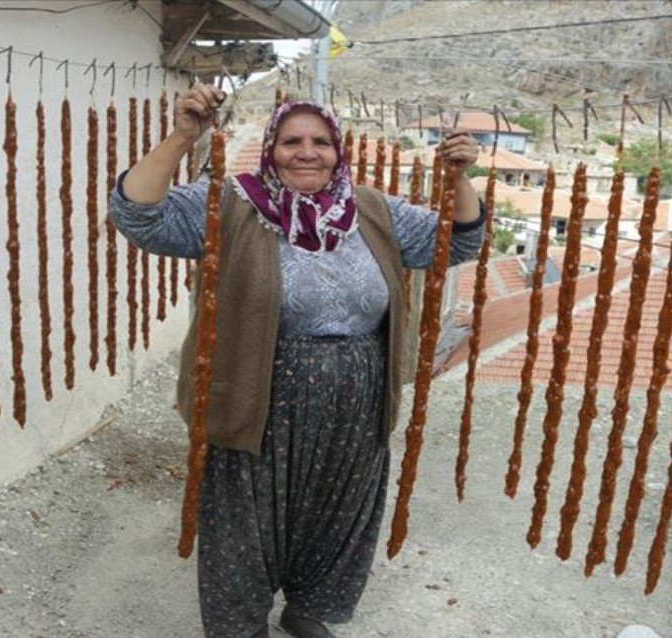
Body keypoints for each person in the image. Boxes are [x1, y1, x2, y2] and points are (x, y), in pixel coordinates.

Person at [110, 84, 485, 638]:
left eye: (320, 141)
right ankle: (241, 624)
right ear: (270, 148)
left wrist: (457, 179)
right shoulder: (230, 203)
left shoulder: (372, 209)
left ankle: (309, 608)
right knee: (247, 517)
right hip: (257, 390)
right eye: (291, 141)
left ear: (338, 150)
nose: (306, 152)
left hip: (358, 392)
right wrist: (184, 136)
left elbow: (457, 244)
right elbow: (137, 216)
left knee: (340, 507)